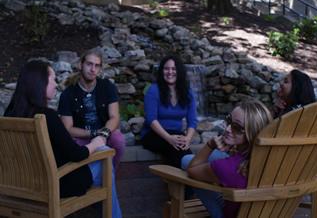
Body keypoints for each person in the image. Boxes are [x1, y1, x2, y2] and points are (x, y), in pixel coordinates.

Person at [4, 60, 122, 218]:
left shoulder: (9, 114)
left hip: (22, 186)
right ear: (40, 83)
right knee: (105, 160)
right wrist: (96, 143)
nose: (56, 84)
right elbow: (76, 154)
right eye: (52, 79)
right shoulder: (47, 117)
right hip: (56, 185)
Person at [186, 100, 272, 218]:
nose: (227, 129)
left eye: (236, 127)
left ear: (252, 132)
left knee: (186, 161)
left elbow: (191, 169)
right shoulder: (275, 160)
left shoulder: (229, 167)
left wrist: (210, 144)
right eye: (228, 120)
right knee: (188, 158)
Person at [58, 49, 125, 168]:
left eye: (97, 65)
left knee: (118, 140)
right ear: (81, 65)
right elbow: (68, 129)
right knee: (73, 148)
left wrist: (103, 134)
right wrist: (93, 133)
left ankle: (110, 174)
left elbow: (114, 117)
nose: (93, 69)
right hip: (82, 136)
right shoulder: (68, 94)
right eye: (89, 64)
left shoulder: (107, 87)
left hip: (105, 134)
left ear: (100, 69)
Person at [141, 55, 198, 168]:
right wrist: (169, 138)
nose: (170, 72)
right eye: (166, 69)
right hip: (153, 135)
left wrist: (187, 139)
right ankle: (183, 181)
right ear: (162, 71)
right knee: (177, 150)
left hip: (175, 134)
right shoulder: (154, 90)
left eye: (174, 69)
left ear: (179, 71)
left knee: (181, 148)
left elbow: (192, 121)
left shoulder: (187, 92)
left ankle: (175, 182)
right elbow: (151, 120)